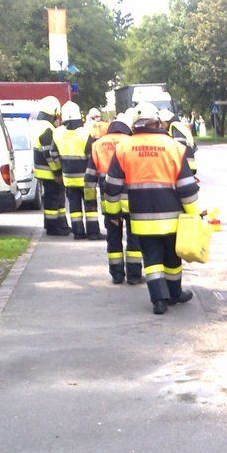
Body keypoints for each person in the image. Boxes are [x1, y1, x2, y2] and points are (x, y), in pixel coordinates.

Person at [102, 102, 201, 315]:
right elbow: (186, 186)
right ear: (157, 122)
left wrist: (112, 213)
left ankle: (159, 300)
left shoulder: (124, 148)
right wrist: (195, 214)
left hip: (141, 218)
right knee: (172, 258)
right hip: (172, 218)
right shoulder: (174, 147)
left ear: (134, 125)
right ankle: (175, 293)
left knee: (152, 259)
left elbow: (112, 187)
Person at [86, 112, 142, 284]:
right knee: (134, 238)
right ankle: (134, 275)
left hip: (109, 201)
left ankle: (117, 274)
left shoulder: (97, 145)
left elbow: (89, 178)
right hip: (132, 200)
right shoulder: (133, 144)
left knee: (113, 237)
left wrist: (90, 202)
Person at [52, 101, 101, 240]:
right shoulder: (86, 132)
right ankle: (93, 233)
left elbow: (53, 154)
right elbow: (92, 156)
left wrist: (58, 172)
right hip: (87, 178)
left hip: (68, 178)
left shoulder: (57, 133)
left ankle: (78, 233)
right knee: (90, 206)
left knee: (74, 207)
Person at [29, 96, 70, 236]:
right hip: (49, 172)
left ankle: (60, 224)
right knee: (53, 200)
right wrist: (57, 172)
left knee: (55, 198)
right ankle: (53, 228)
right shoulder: (47, 128)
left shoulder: (38, 125)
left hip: (42, 171)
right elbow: (49, 154)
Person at [159, 109, 197, 175]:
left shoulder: (174, 126)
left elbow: (178, 146)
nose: (161, 126)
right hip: (188, 165)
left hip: (184, 166)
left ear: (166, 121)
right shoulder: (179, 125)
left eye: (162, 123)